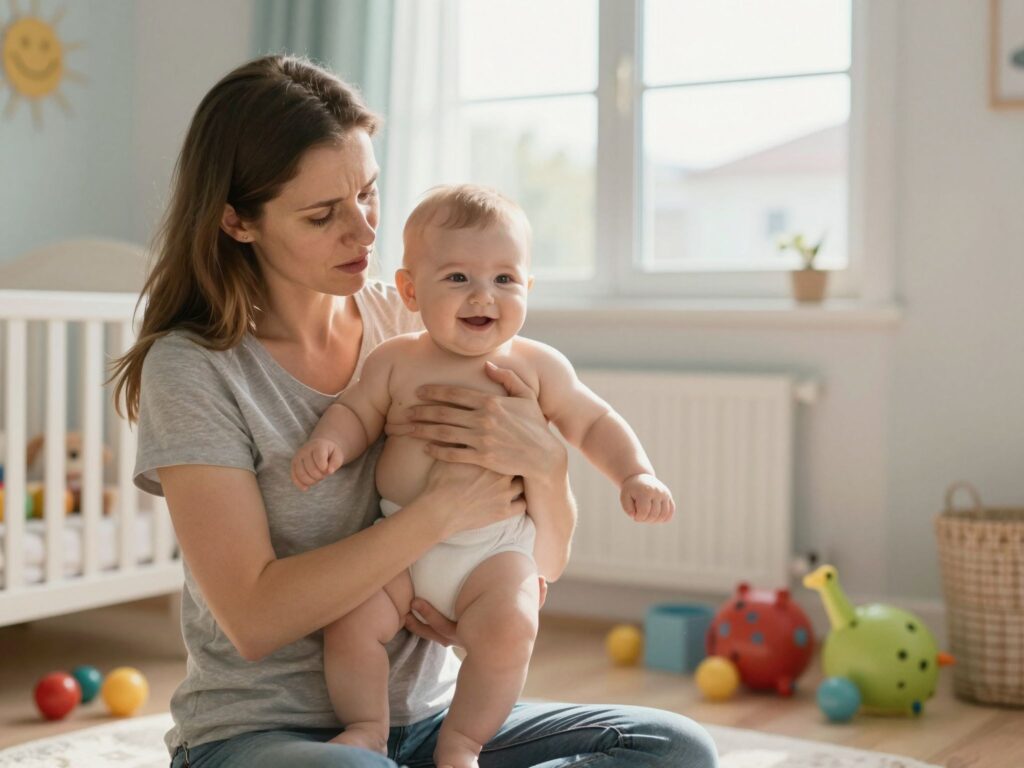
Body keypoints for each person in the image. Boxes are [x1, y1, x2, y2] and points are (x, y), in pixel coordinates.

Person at [112, 54, 718, 768]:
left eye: (368, 195)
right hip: (264, 736)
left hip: (432, 723)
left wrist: (548, 471)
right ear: (238, 222)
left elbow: (542, 561)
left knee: (673, 749)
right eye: (322, 215)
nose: (364, 232)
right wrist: (435, 515)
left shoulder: (417, 317)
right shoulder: (195, 368)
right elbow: (254, 619)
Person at [291, 184, 676, 768]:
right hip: (399, 545)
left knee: (511, 628)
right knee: (352, 619)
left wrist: (635, 474)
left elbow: (594, 421)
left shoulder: (538, 365)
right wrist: (329, 445)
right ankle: (369, 727)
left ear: (528, 288)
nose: (483, 297)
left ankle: (463, 744)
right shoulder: (395, 359)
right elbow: (355, 412)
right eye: (457, 279)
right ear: (410, 290)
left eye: (504, 279)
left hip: (493, 554)